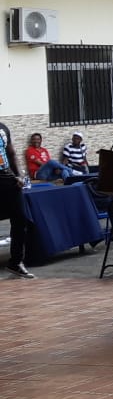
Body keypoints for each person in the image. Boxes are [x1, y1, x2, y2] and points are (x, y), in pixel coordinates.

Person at [0, 119, 33, 279]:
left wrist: (19, 175)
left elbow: (11, 154)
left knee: (20, 219)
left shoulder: (3, 128)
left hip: (8, 180)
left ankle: (16, 262)